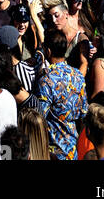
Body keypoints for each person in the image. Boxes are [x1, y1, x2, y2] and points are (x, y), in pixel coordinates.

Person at [35, 29, 88, 162]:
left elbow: (39, 117)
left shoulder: (46, 81)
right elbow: (84, 112)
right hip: (74, 148)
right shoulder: (78, 76)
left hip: (53, 150)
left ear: (48, 51)